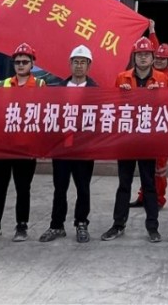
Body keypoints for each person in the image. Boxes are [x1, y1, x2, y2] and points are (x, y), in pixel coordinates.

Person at [101, 36, 168, 243]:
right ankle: (118, 224)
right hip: (127, 139)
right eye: (139, 55)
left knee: (149, 184)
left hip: (148, 140)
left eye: (147, 54)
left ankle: (153, 227)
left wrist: (158, 95)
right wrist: (120, 95)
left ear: (152, 57)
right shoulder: (122, 78)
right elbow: (112, 106)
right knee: (124, 183)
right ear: (134, 57)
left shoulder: (161, 79)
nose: (143, 58)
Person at [0, 42, 43, 243]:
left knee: (23, 188)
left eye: (25, 61)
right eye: (17, 62)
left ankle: (21, 226)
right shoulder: (1, 84)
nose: (21, 65)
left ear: (32, 64)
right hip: (3, 147)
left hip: (26, 147)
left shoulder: (40, 85)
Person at [43, 45, 99, 244]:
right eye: (76, 62)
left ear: (89, 66)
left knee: (83, 188)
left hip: (84, 149)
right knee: (60, 188)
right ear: (70, 64)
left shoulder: (96, 91)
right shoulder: (59, 89)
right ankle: (56, 225)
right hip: (62, 147)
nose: (79, 66)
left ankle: (81, 223)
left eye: (83, 62)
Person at [132, 38, 168, 210]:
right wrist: (152, 31)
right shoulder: (151, 74)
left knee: (159, 169)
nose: (159, 61)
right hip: (145, 126)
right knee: (146, 168)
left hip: (160, 128)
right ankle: (144, 196)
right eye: (157, 58)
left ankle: (159, 198)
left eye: (163, 59)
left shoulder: (165, 78)